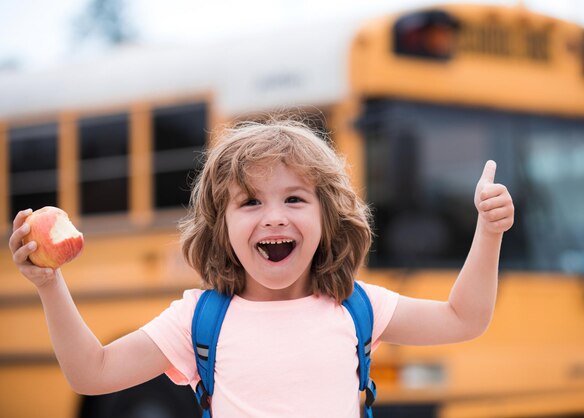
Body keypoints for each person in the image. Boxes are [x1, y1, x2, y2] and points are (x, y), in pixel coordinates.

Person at [9, 119, 514, 417]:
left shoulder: (357, 307)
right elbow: (91, 374)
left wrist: (488, 233)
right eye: (249, 202)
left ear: (326, 218)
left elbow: (463, 318)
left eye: (295, 198)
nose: (274, 216)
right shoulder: (198, 320)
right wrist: (49, 283)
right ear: (220, 225)